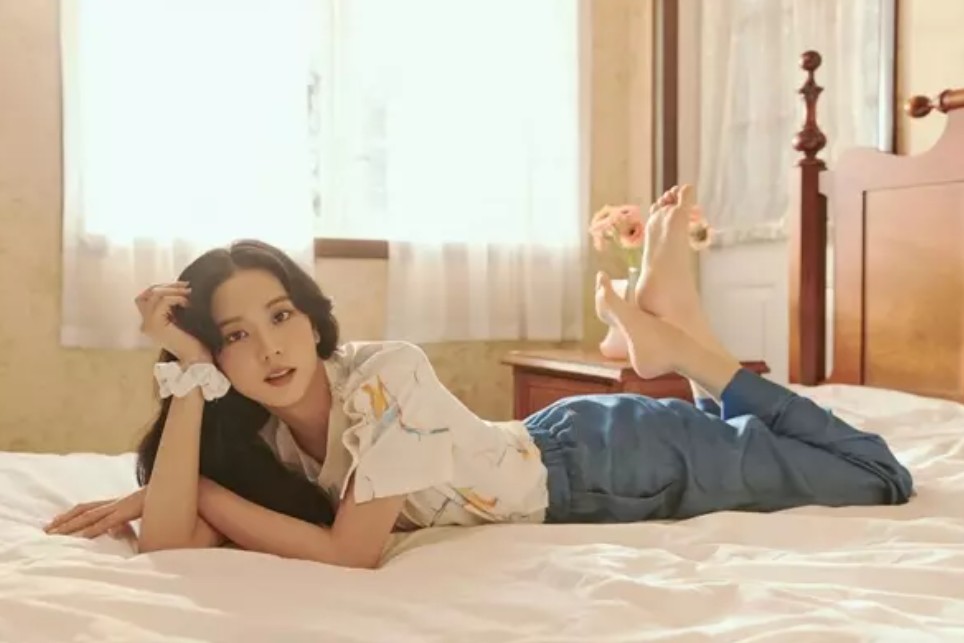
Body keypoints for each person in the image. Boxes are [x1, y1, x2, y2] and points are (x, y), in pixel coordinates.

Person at [45, 186, 914, 569]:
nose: (269, 348)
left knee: (876, 474)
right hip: (563, 453)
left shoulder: (386, 374)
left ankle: (689, 355)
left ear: (310, 315)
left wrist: (197, 492)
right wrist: (189, 370)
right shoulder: (256, 427)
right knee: (757, 445)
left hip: (612, 465)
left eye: (280, 315)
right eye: (234, 336)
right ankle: (673, 339)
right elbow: (169, 542)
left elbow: (351, 554)